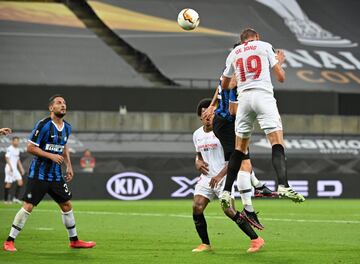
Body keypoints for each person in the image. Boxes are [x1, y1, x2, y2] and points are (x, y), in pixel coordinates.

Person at [219, 28, 305, 209]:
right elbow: (280, 77)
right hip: (262, 96)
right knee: (277, 142)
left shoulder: (234, 53)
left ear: (242, 41)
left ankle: (226, 191)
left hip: (244, 100)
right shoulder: (265, 46)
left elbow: (226, 85)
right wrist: (279, 62)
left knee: (239, 149)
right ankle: (283, 185)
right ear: (256, 37)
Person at [3, 94, 96, 252]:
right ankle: (9, 241)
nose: (63, 105)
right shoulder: (43, 125)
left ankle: (74, 241)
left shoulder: (67, 127)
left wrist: (69, 166)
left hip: (56, 176)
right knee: (28, 206)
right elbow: (30, 148)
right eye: (59, 103)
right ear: (51, 108)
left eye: (65, 103)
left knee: (66, 205)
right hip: (39, 174)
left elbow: (64, 147)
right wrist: (50, 155)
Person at [191, 98, 264, 253]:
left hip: (224, 177)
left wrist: (219, 176)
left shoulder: (222, 132)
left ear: (215, 113)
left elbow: (233, 157)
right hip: (206, 178)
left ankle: (256, 239)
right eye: (204, 113)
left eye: (210, 112)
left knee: (228, 210)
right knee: (197, 207)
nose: (207, 115)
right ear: (200, 116)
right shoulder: (197, 134)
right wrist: (197, 161)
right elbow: (199, 154)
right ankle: (205, 244)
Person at [4, 137, 25, 204]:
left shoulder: (18, 150)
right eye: (15, 141)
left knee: (20, 182)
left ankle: (15, 198)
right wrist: (10, 166)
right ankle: (6, 200)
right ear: (12, 142)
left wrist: (21, 168)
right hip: (9, 168)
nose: (16, 142)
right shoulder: (10, 148)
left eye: (17, 141)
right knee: (8, 184)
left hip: (15, 169)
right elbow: (6, 157)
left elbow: (18, 160)